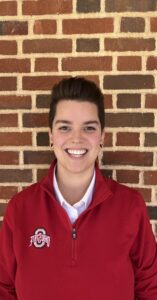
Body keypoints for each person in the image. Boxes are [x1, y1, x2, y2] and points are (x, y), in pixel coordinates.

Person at [0, 77, 157, 300]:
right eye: (65, 127)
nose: (77, 139)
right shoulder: (20, 209)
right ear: (51, 136)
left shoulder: (130, 206)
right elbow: (4, 287)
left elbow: (150, 286)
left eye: (88, 128)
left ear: (102, 137)